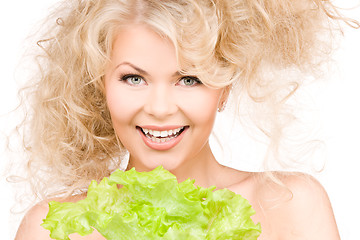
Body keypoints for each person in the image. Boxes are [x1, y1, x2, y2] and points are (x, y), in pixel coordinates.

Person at [13, 0, 358, 239]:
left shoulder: (288, 205)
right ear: (99, 85)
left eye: (189, 79)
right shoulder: (50, 228)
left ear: (223, 88)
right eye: (134, 78)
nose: (160, 108)